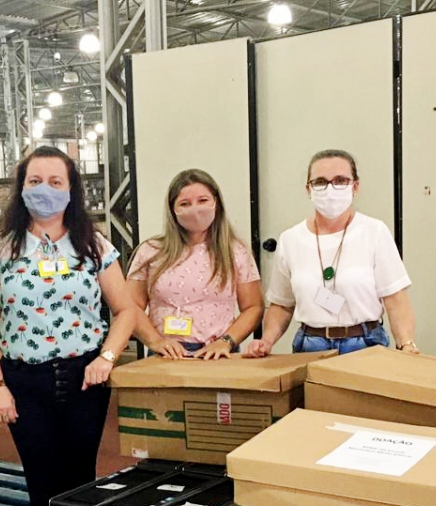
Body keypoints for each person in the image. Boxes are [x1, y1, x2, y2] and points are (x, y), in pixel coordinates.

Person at [0, 146, 138, 506]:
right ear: (21, 187)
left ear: (71, 189)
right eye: (35, 181)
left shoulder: (93, 245)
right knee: (42, 482)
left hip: (84, 380)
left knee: (81, 480)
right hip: (24, 382)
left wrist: (107, 357)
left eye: (55, 182)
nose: (44, 189)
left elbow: (125, 310)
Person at [245, 149, 418, 357]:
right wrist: (266, 341)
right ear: (308, 189)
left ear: (355, 186)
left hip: (365, 344)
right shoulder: (290, 239)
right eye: (320, 182)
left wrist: (406, 344)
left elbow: (395, 299)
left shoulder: (374, 232)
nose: (330, 189)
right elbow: (282, 305)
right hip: (310, 346)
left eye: (340, 180)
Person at [128, 169, 263, 359]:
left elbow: (253, 307)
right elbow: (129, 306)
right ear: (172, 210)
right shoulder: (151, 251)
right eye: (185, 203)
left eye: (202, 200)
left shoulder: (236, 251)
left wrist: (226, 341)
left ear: (216, 203)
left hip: (216, 354)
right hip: (166, 354)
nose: (195, 209)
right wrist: (155, 341)